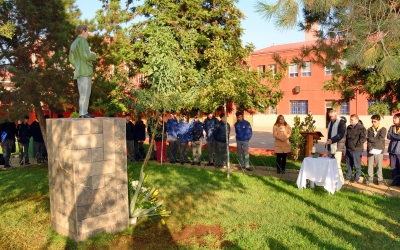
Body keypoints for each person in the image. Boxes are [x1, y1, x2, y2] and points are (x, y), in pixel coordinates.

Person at [69, 24, 97, 118]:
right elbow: (86, 55)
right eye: (87, 31)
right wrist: (93, 55)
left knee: (82, 93)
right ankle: (83, 113)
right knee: (86, 92)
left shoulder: (73, 43)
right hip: (85, 70)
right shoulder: (83, 41)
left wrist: (77, 65)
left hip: (78, 71)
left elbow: (71, 59)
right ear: (84, 31)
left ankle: (82, 112)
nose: (88, 34)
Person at [345, 114, 367, 183]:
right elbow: (346, 137)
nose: (350, 121)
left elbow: (363, 138)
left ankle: (356, 178)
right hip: (348, 149)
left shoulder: (361, 128)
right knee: (348, 164)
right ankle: (348, 176)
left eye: (352, 120)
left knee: (357, 165)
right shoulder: (349, 127)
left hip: (356, 150)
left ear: (356, 120)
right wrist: (346, 145)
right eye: (350, 119)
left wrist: (356, 145)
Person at [326, 109, 346, 183]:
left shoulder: (341, 122)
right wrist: (328, 146)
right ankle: (332, 180)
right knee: (331, 165)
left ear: (336, 115)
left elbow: (341, 134)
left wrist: (332, 140)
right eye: (330, 117)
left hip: (338, 147)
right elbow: (329, 135)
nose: (331, 118)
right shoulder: (330, 123)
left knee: (337, 165)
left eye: (332, 116)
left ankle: (341, 181)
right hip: (331, 146)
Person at [366, 114, 387, 185]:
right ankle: (370, 178)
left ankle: (379, 179)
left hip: (379, 149)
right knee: (370, 165)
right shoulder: (369, 129)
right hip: (371, 150)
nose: (373, 123)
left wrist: (371, 139)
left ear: (379, 121)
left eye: (375, 121)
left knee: (379, 165)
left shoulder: (383, 129)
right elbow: (368, 140)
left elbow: (380, 139)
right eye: (372, 121)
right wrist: (370, 148)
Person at [387, 113, 400, 186]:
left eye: (395, 118)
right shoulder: (392, 127)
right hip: (392, 150)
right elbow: (388, 136)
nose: (393, 119)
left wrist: (393, 136)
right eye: (393, 118)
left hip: (399, 150)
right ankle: (395, 181)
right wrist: (396, 136)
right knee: (393, 166)